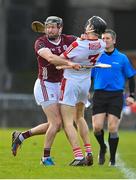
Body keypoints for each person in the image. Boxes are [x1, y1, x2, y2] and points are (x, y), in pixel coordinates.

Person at [11, 16, 91, 166]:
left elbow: (83, 47)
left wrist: (84, 39)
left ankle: (21, 136)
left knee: (57, 124)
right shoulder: (40, 42)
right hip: (45, 85)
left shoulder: (69, 40)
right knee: (56, 123)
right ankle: (45, 158)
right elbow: (51, 58)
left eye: (53, 27)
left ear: (60, 28)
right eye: (48, 27)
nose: (49, 30)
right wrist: (69, 63)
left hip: (62, 85)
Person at [49, 15, 107, 166]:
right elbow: (90, 44)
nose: (86, 25)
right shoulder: (101, 44)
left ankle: (78, 156)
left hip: (70, 82)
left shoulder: (78, 44)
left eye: (88, 24)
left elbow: (59, 60)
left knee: (67, 122)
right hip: (85, 83)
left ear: (92, 28)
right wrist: (83, 39)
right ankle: (89, 152)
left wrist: (66, 61)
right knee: (79, 117)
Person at [91, 29, 135, 166]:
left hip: (116, 95)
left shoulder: (122, 58)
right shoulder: (96, 57)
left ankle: (113, 159)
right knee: (97, 127)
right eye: (103, 38)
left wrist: (132, 95)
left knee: (112, 128)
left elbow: (131, 76)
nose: (105, 41)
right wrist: (86, 90)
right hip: (99, 95)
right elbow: (88, 76)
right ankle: (103, 148)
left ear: (114, 40)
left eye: (108, 38)